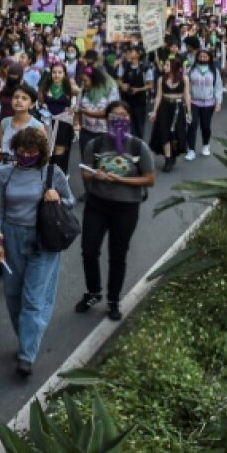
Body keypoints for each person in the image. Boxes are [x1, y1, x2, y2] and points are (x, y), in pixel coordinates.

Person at [0, 127, 75, 377]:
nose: (26, 154)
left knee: (33, 298)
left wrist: (56, 197)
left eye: (32, 151)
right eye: (21, 150)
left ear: (41, 153)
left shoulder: (52, 173)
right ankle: (27, 336)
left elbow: (70, 202)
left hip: (42, 239)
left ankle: (27, 354)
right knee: (12, 294)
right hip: (12, 236)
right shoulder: (4, 173)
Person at [78, 101, 156, 322]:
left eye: (122, 115)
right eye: (113, 116)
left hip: (126, 208)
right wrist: (95, 175)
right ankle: (93, 292)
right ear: (106, 118)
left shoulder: (138, 147)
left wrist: (121, 179)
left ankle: (113, 299)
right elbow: (84, 172)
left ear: (129, 119)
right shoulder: (95, 144)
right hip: (97, 205)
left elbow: (149, 179)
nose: (118, 120)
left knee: (117, 255)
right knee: (89, 250)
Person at [149, 57, 191, 172]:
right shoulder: (161, 79)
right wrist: (154, 111)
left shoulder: (184, 79)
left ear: (173, 67)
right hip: (164, 107)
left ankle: (172, 155)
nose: (164, 67)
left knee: (177, 133)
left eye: (167, 65)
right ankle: (167, 159)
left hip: (178, 108)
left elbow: (187, 95)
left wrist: (189, 112)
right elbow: (158, 96)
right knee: (164, 132)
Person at [38, 63, 79, 173]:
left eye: (60, 72)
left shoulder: (69, 87)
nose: (56, 75)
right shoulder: (45, 86)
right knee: (46, 148)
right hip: (48, 121)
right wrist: (42, 104)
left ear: (64, 74)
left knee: (60, 149)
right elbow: (40, 100)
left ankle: (60, 173)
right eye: (54, 72)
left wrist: (73, 109)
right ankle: (48, 172)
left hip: (64, 122)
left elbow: (80, 97)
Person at [185, 47, 224, 160]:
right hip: (193, 102)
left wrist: (218, 102)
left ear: (209, 58)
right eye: (200, 56)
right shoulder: (191, 70)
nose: (202, 58)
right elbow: (187, 87)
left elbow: (218, 87)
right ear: (197, 57)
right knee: (192, 125)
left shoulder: (214, 71)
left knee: (205, 126)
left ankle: (205, 145)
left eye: (205, 56)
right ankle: (191, 149)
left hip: (208, 103)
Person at [76, 65, 119, 161]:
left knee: (103, 162)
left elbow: (111, 112)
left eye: (85, 81)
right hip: (86, 133)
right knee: (87, 162)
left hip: (104, 133)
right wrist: (79, 125)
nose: (83, 84)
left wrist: (90, 113)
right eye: (82, 81)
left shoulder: (110, 91)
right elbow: (78, 109)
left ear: (94, 80)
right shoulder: (83, 92)